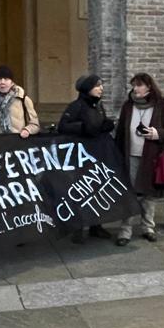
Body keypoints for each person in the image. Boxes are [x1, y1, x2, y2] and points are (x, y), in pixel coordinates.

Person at [115, 73, 164, 246]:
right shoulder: (128, 106)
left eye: (139, 85)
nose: (135, 89)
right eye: (134, 85)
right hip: (130, 155)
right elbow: (120, 131)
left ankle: (148, 227)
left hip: (152, 156)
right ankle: (125, 230)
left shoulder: (162, 105)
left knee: (150, 193)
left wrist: (157, 134)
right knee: (130, 192)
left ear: (149, 86)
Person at [57, 75, 115, 242]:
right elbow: (63, 126)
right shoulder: (76, 106)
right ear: (87, 88)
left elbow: (98, 126)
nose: (101, 88)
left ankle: (96, 226)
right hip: (81, 157)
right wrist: (82, 128)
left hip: (97, 155)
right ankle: (78, 228)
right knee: (81, 191)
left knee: (97, 191)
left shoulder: (98, 106)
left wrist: (105, 126)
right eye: (97, 86)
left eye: (101, 85)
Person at [0, 66, 41, 138]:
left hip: (18, 144)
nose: (2, 82)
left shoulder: (23, 99)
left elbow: (35, 124)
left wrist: (27, 130)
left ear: (11, 82)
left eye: (6, 79)